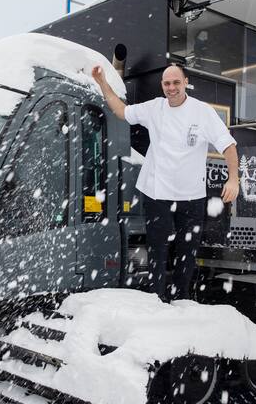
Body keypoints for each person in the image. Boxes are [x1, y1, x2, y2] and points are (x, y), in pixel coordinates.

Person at [91, 63, 239, 302]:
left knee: (186, 252)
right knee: (156, 250)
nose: (171, 88)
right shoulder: (155, 108)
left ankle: (182, 300)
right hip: (157, 191)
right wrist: (102, 83)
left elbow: (228, 145)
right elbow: (121, 111)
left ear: (185, 82)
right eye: (167, 83)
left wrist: (234, 179)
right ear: (162, 85)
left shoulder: (202, 112)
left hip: (191, 195)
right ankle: (156, 300)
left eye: (176, 83)